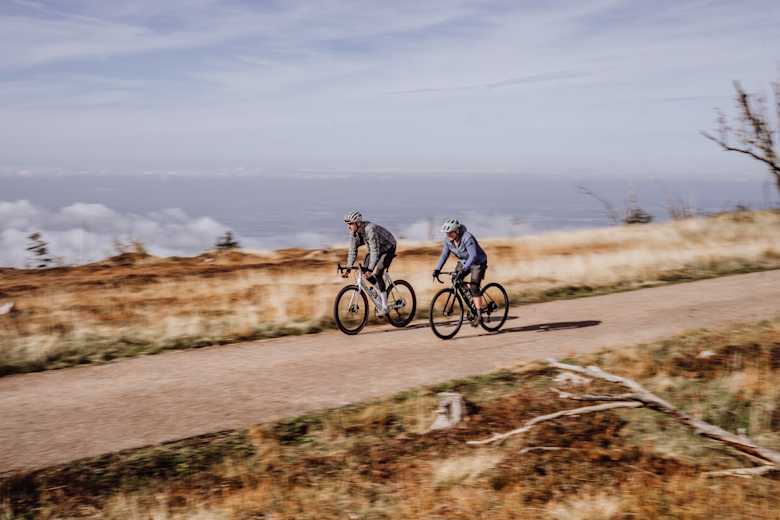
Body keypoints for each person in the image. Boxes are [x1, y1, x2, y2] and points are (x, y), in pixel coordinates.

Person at [432, 218, 488, 326]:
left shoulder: (467, 237)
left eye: (450, 233)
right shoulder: (448, 241)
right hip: (464, 261)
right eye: (446, 233)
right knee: (455, 279)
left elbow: (473, 256)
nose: (448, 235)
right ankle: (472, 301)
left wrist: (464, 269)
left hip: (478, 262)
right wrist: (437, 269)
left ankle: (479, 314)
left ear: (457, 231)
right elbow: (444, 255)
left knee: (474, 287)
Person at [343, 210, 397, 316]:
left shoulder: (370, 229)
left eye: (350, 224)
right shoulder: (354, 234)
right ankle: (380, 292)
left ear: (358, 223)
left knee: (378, 273)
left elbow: (375, 252)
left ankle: (385, 307)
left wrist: (370, 269)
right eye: (348, 224)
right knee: (365, 272)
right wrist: (348, 268)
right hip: (375, 249)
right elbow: (352, 251)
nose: (348, 227)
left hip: (388, 247)